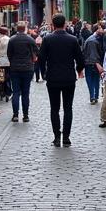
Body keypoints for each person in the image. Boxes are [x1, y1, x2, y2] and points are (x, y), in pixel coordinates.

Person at [39, 13, 85, 147]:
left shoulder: (47, 39)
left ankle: (57, 136)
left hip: (53, 78)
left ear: (52, 25)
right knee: (68, 108)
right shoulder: (72, 39)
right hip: (69, 78)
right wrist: (79, 70)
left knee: (54, 108)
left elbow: (41, 59)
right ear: (65, 24)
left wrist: (44, 73)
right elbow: (80, 59)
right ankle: (66, 136)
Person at [6, 21, 37, 122]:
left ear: (17, 29)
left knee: (15, 92)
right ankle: (26, 115)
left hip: (15, 69)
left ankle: (15, 115)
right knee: (25, 93)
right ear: (25, 29)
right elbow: (36, 51)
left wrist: (13, 62)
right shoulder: (30, 39)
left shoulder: (12, 40)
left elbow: (9, 54)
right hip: (27, 69)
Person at [81, 25, 104, 104]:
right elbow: (93, 54)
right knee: (92, 80)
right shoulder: (92, 40)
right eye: (100, 28)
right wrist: (97, 63)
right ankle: (93, 96)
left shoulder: (95, 39)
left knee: (94, 80)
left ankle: (94, 96)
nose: (102, 29)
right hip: (92, 63)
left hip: (91, 62)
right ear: (97, 30)